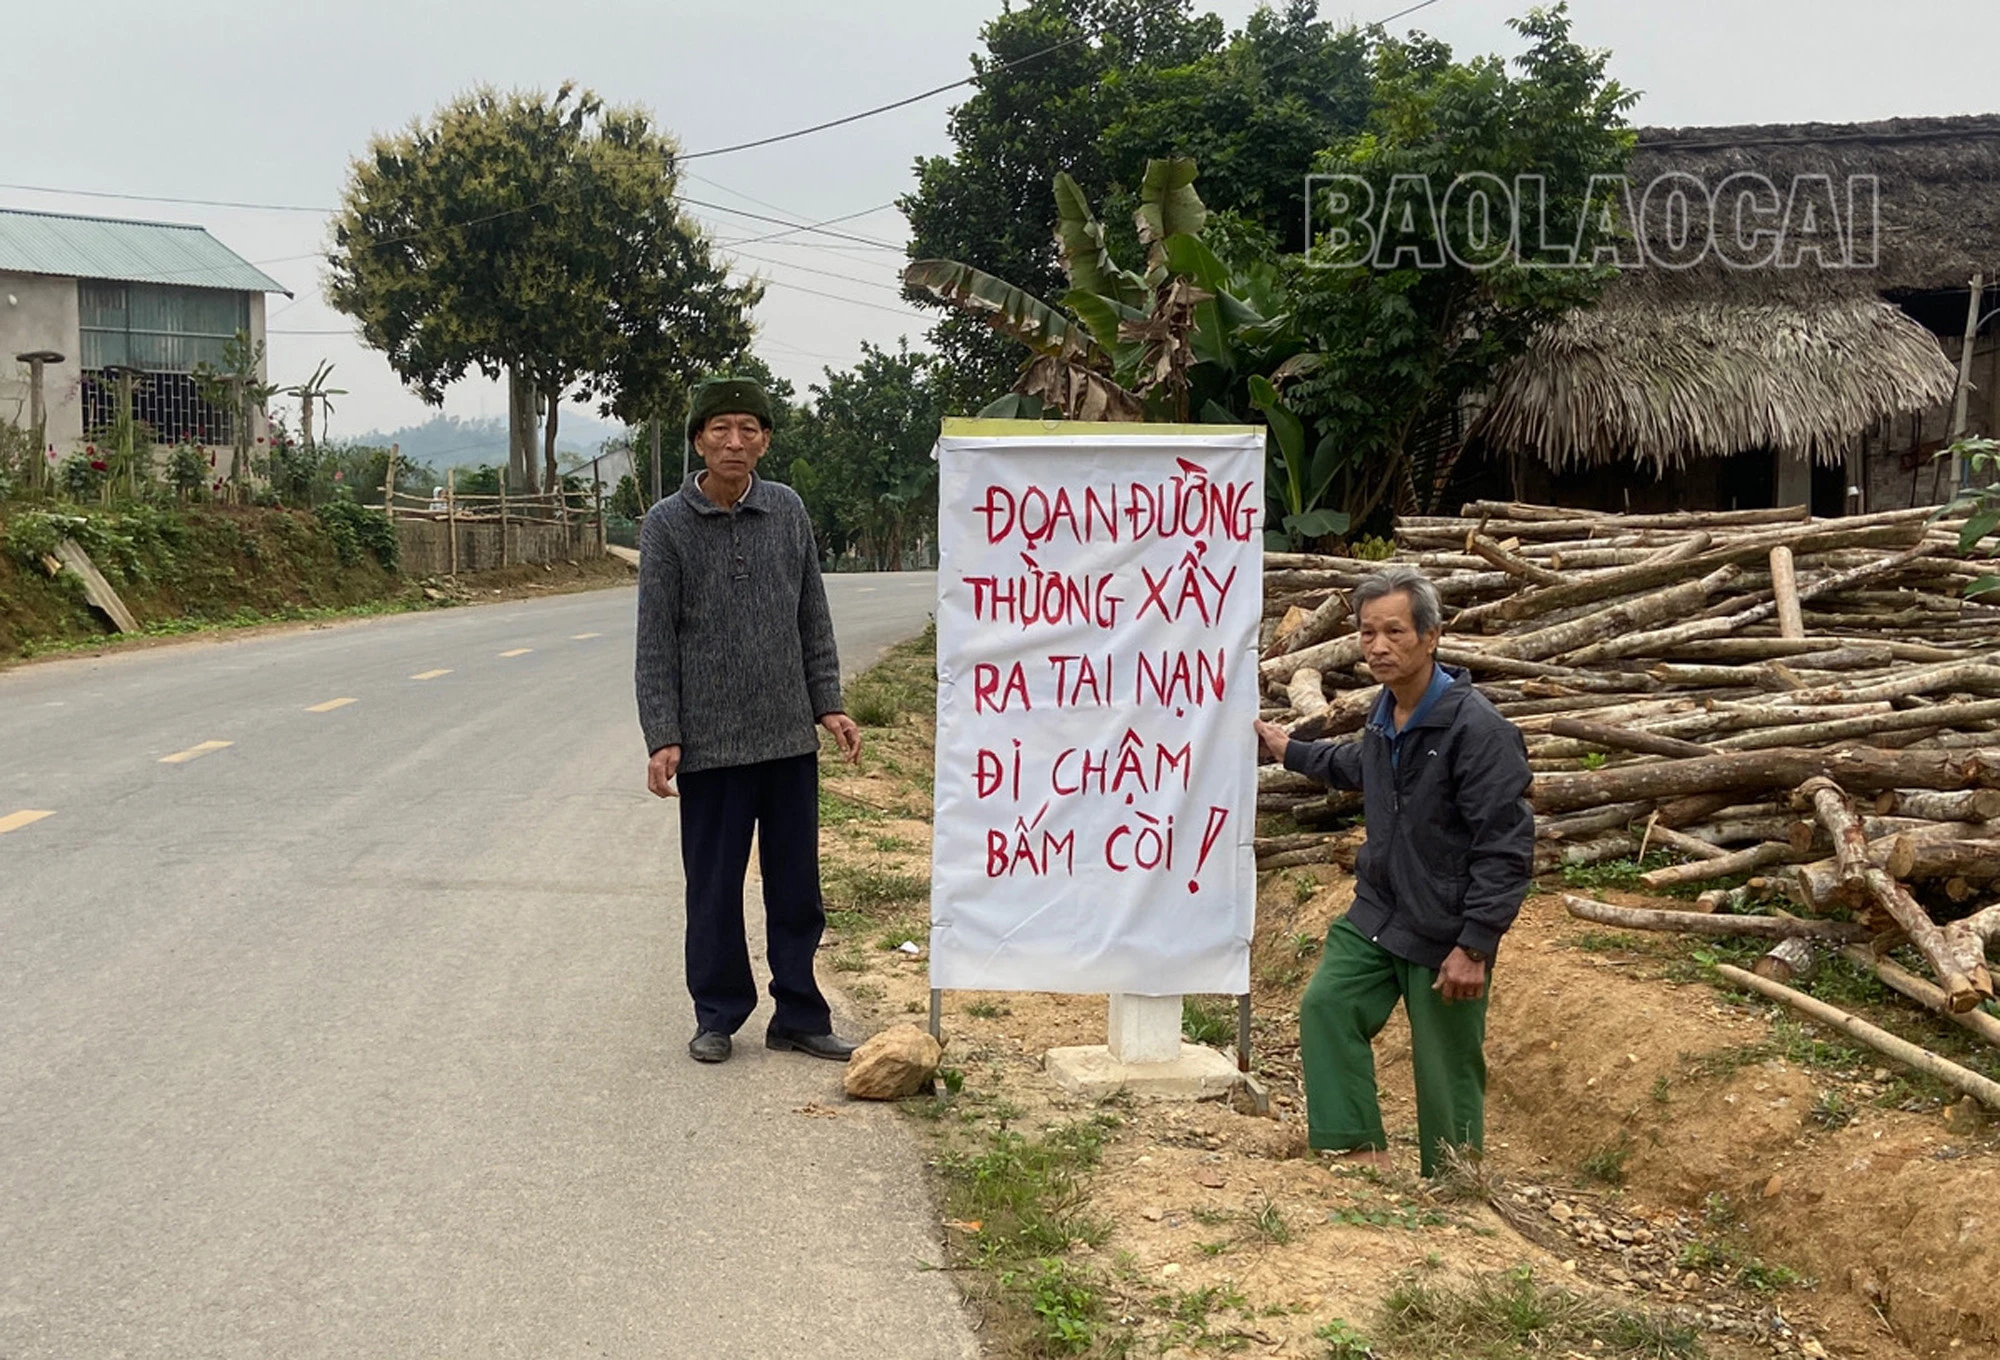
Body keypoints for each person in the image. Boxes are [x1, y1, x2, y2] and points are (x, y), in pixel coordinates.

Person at [1252, 565, 1532, 1176]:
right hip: (1380, 908)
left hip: (1445, 923)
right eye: (1367, 632)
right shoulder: (1388, 712)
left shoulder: (1478, 730)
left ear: (1431, 638)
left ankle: (1455, 1184)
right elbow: (1362, 766)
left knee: (1445, 1063)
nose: (1378, 646)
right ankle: (1357, 1147)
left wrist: (1476, 943)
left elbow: (1506, 845)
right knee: (1329, 1005)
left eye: (1395, 632)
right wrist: (1290, 751)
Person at [636, 376, 864, 1066]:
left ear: (765, 439)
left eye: (749, 429)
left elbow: (811, 617)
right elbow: (656, 640)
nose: (735, 443)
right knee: (713, 889)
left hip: (787, 737)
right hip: (710, 746)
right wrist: (663, 735)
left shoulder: (788, 511)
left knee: (798, 886)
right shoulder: (667, 524)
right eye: (720, 430)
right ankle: (718, 1014)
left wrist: (828, 703)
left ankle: (799, 1012)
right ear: (698, 440)